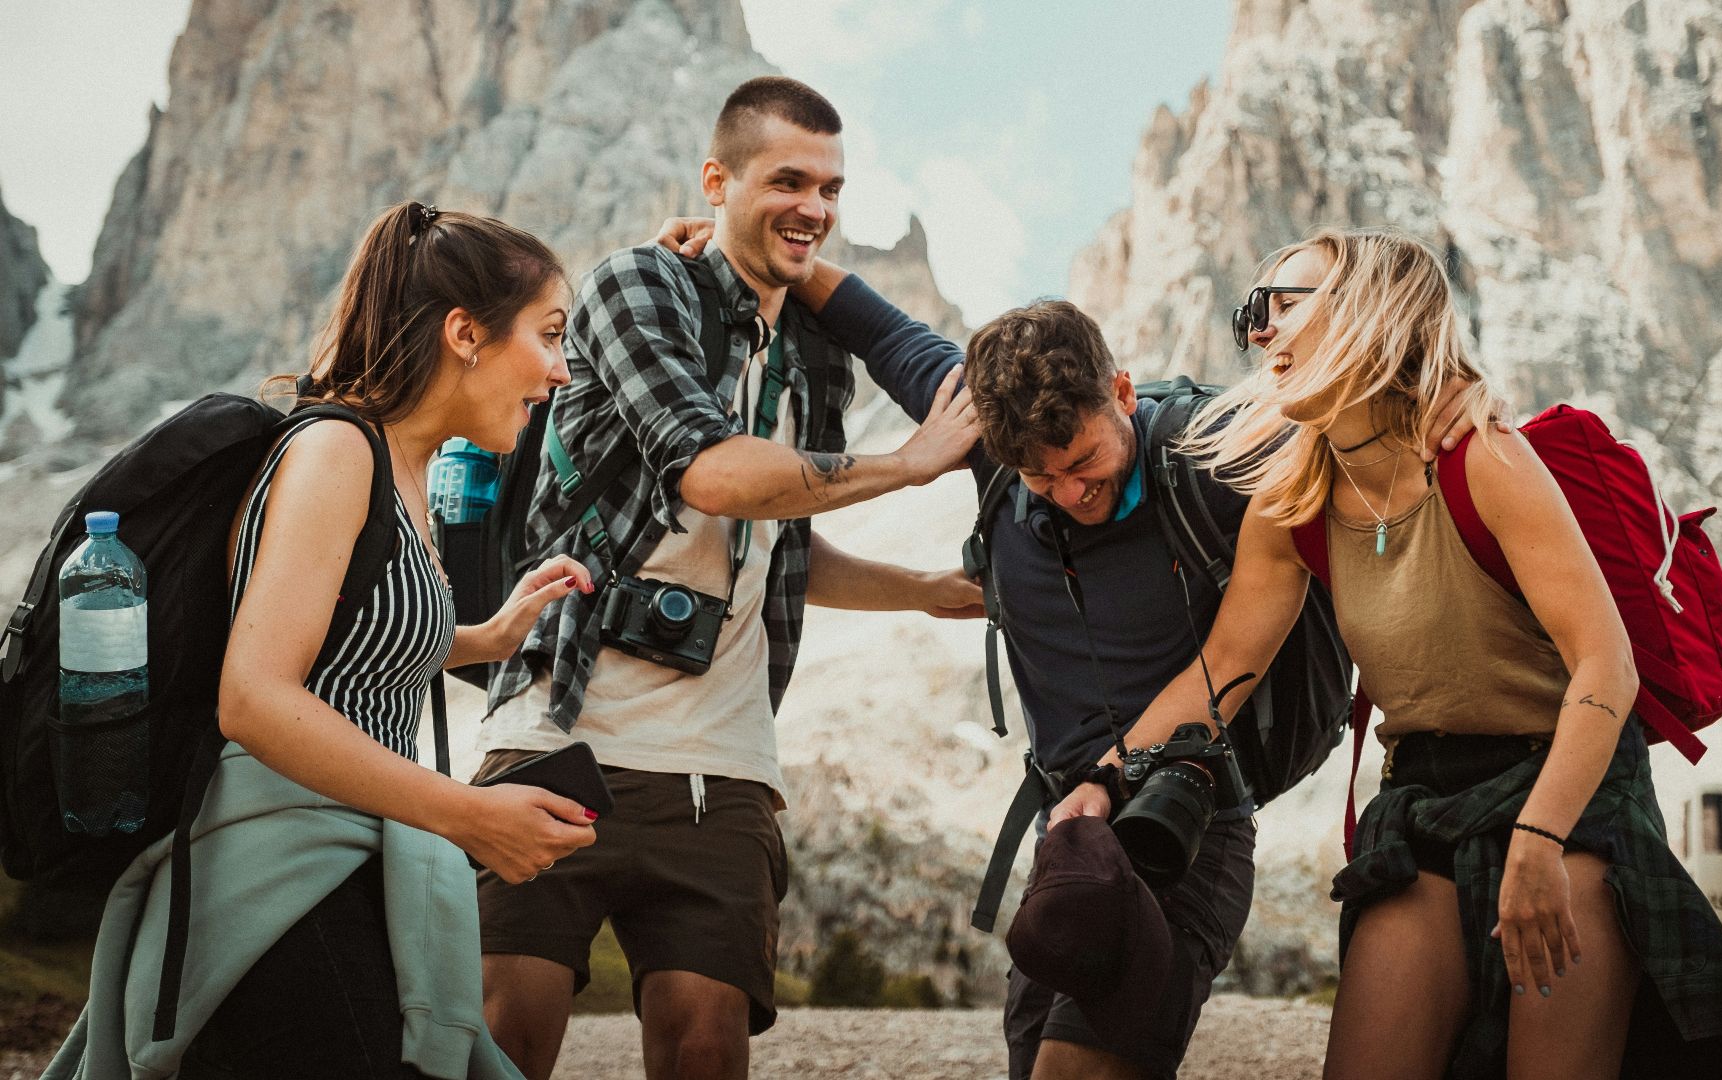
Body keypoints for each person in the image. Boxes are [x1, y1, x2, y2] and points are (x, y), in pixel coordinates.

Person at [652, 212, 1484, 1079]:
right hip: (1073, 839)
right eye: (1039, 478)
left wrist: (1107, 777)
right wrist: (741, 239)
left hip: (1185, 822)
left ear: (1122, 392)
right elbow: (876, 325)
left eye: (1084, 460)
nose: (1069, 492)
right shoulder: (993, 444)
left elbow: (1256, 620)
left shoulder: (1212, 458)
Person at [1133, 226, 1722, 1078]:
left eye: (1285, 305)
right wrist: (1103, 782)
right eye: (1256, 310)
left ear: (1370, 312)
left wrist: (1542, 841)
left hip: (1567, 787)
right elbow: (1222, 672)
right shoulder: (1293, 502)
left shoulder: (1484, 460)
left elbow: (1605, 665)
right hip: (1425, 795)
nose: (1259, 332)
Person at [475, 77, 982, 1080]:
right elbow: (711, 473)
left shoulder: (817, 355)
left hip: (726, 762)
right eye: (788, 179)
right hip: (561, 727)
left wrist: (922, 590)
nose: (816, 207)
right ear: (717, 179)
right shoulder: (635, 287)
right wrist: (907, 465)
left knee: (707, 1045)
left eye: (832, 188)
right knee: (503, 1036)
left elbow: (781, 543)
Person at [44, 201, 601, 1080]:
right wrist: (471, 818)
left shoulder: (405, 469)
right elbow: (256, 695)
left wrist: (486, 635)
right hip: (280, 873)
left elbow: (345, 637)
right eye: (550, 335)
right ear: (465, 333)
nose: (562, 372)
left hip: (353, 855)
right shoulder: (339, 451)